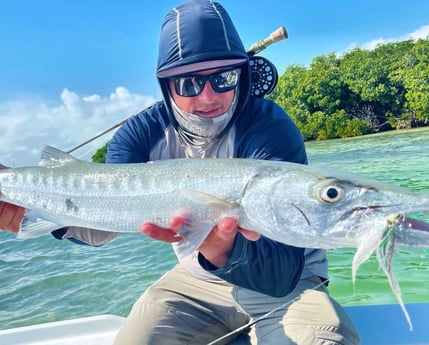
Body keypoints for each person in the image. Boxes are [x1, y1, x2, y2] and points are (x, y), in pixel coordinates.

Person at [0, 1, 360, 344]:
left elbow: (281, 270)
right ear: (165, 84)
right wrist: (35, 215)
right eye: (188, 83)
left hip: (291, 282)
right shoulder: (139, 134)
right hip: (195, 280)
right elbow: (104, 221)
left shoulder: (269, 127)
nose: (207, 97)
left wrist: (219, 245)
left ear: (241, 73)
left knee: (324, 340)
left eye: (223, 77)